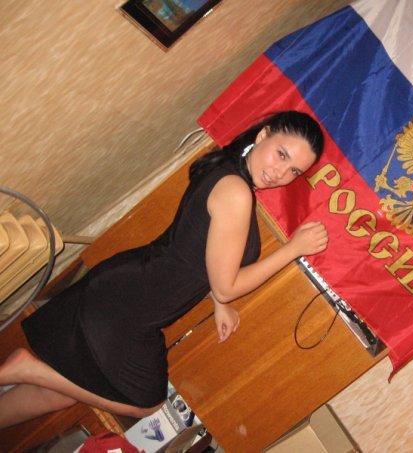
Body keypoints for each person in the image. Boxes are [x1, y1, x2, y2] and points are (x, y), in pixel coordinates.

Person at [0, 111, 328, 428]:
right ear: (264, 134)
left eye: (294, 171)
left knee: (60, 391)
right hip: (129, 307)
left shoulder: (228, 171)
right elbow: (226, 284)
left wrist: (219, 303)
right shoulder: (236, 192)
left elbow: (200, 250)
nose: (280, 173)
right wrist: (292, 250)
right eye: (281, 154)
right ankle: (26, 369)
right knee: (147, 403)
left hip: (127, 290)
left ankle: (30, 375)